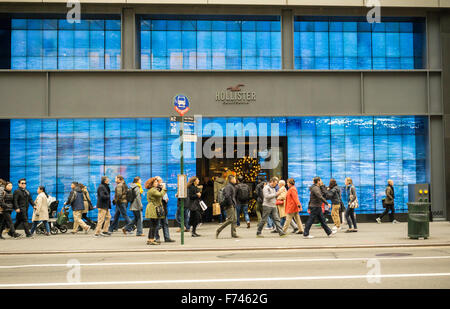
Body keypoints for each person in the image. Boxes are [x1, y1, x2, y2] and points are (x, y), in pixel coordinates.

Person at [145, 177, 167, 245]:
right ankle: (151, 239)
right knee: (153, 225)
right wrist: (163, 188)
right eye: (155, 182)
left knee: (153, 224)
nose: (157, 183)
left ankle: (150, 239)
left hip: (153, 207)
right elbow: (160, 194)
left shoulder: (154, 189)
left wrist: (161, 188)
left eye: (157, 182)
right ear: (152, 184)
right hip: (153, 208)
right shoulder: (152, 190)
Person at [154, 176, 175, 243]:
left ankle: (167, 237)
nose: (161, 182)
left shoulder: (163, 189)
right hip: (158, 208)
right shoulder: (155, 189)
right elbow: (159, 196)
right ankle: (157, 238)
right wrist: (162, 189)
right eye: (160, 181)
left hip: (164, 208)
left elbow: (165, 198)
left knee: (165, 223)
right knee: (157, 224)